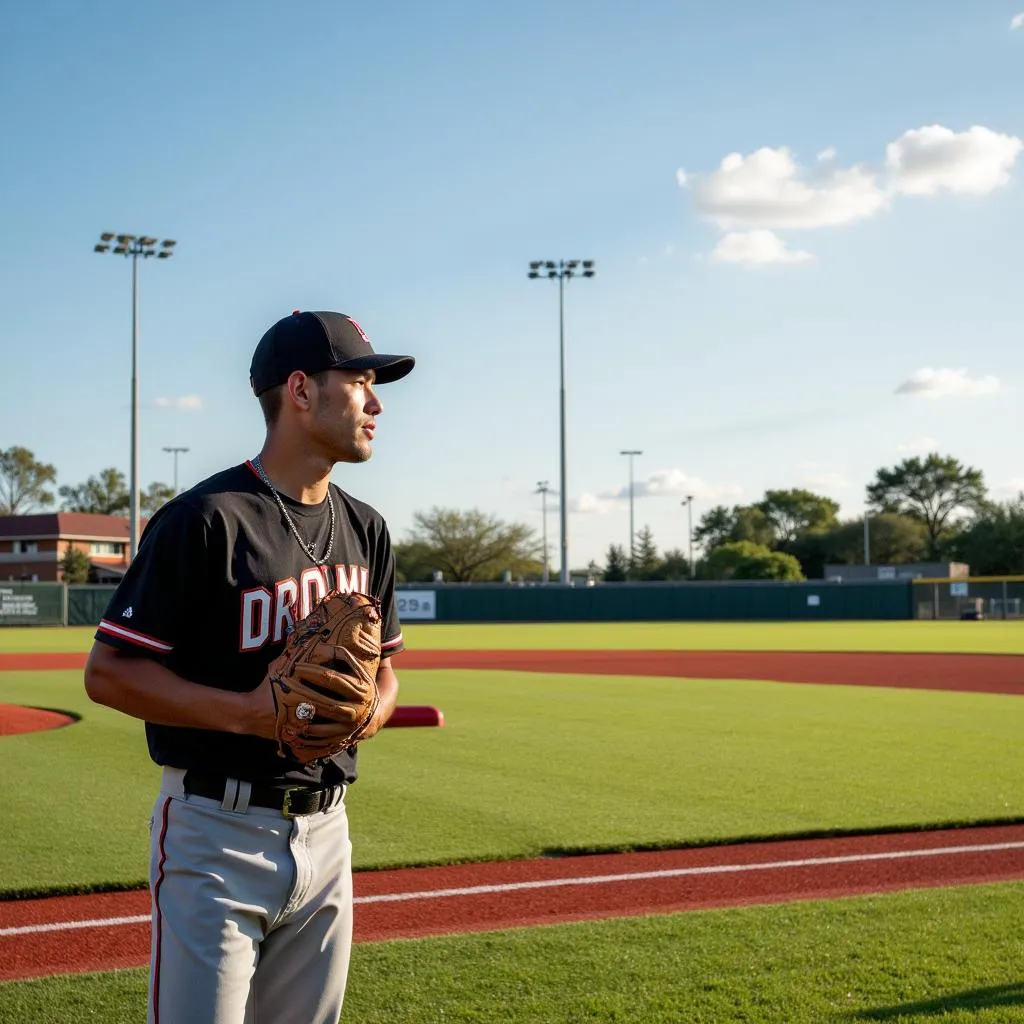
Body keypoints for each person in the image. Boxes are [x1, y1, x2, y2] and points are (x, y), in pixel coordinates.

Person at [83, 309, 415, 1024]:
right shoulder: (207, 519)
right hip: (215, 835)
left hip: (329, 833)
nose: (378, 402)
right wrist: (250, 713)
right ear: (300, 390)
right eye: (360, 381)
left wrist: (371, 711)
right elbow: (108, 673)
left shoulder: (369, 529)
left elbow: (387, 673)